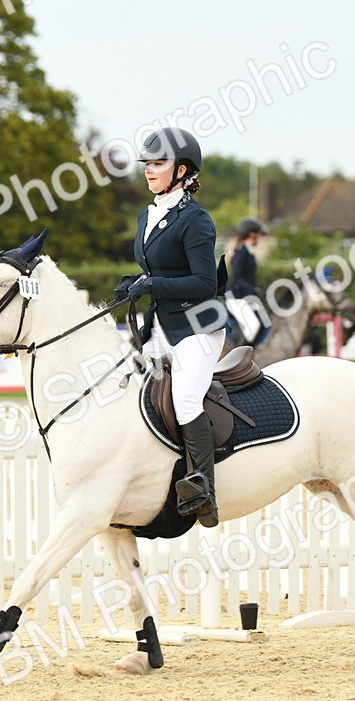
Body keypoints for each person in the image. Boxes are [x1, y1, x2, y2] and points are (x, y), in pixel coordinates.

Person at [115, 127, 224, 527]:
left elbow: (204, 283)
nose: (148, 170)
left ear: (182, 170)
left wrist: (153, 285)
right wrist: (135, 282)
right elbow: (156, 269)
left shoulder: (195, 219)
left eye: (158, 163)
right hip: (161, 323)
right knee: (134, 387)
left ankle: (203, 489)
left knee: (185, 400)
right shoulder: (149, 214)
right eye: (147, 163)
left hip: (199, 324)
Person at [226, 217, 271, 346]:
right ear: (252, 234)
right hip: (236, 298)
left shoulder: (249, 252)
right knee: (254, 327)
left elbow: (248, 278)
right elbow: (237, 278)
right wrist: (254, 289)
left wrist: (260, 289)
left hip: (246, 298)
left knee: (264, 320)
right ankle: (240, 357)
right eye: (259, 234)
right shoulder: (242, 253)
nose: (260, 238)